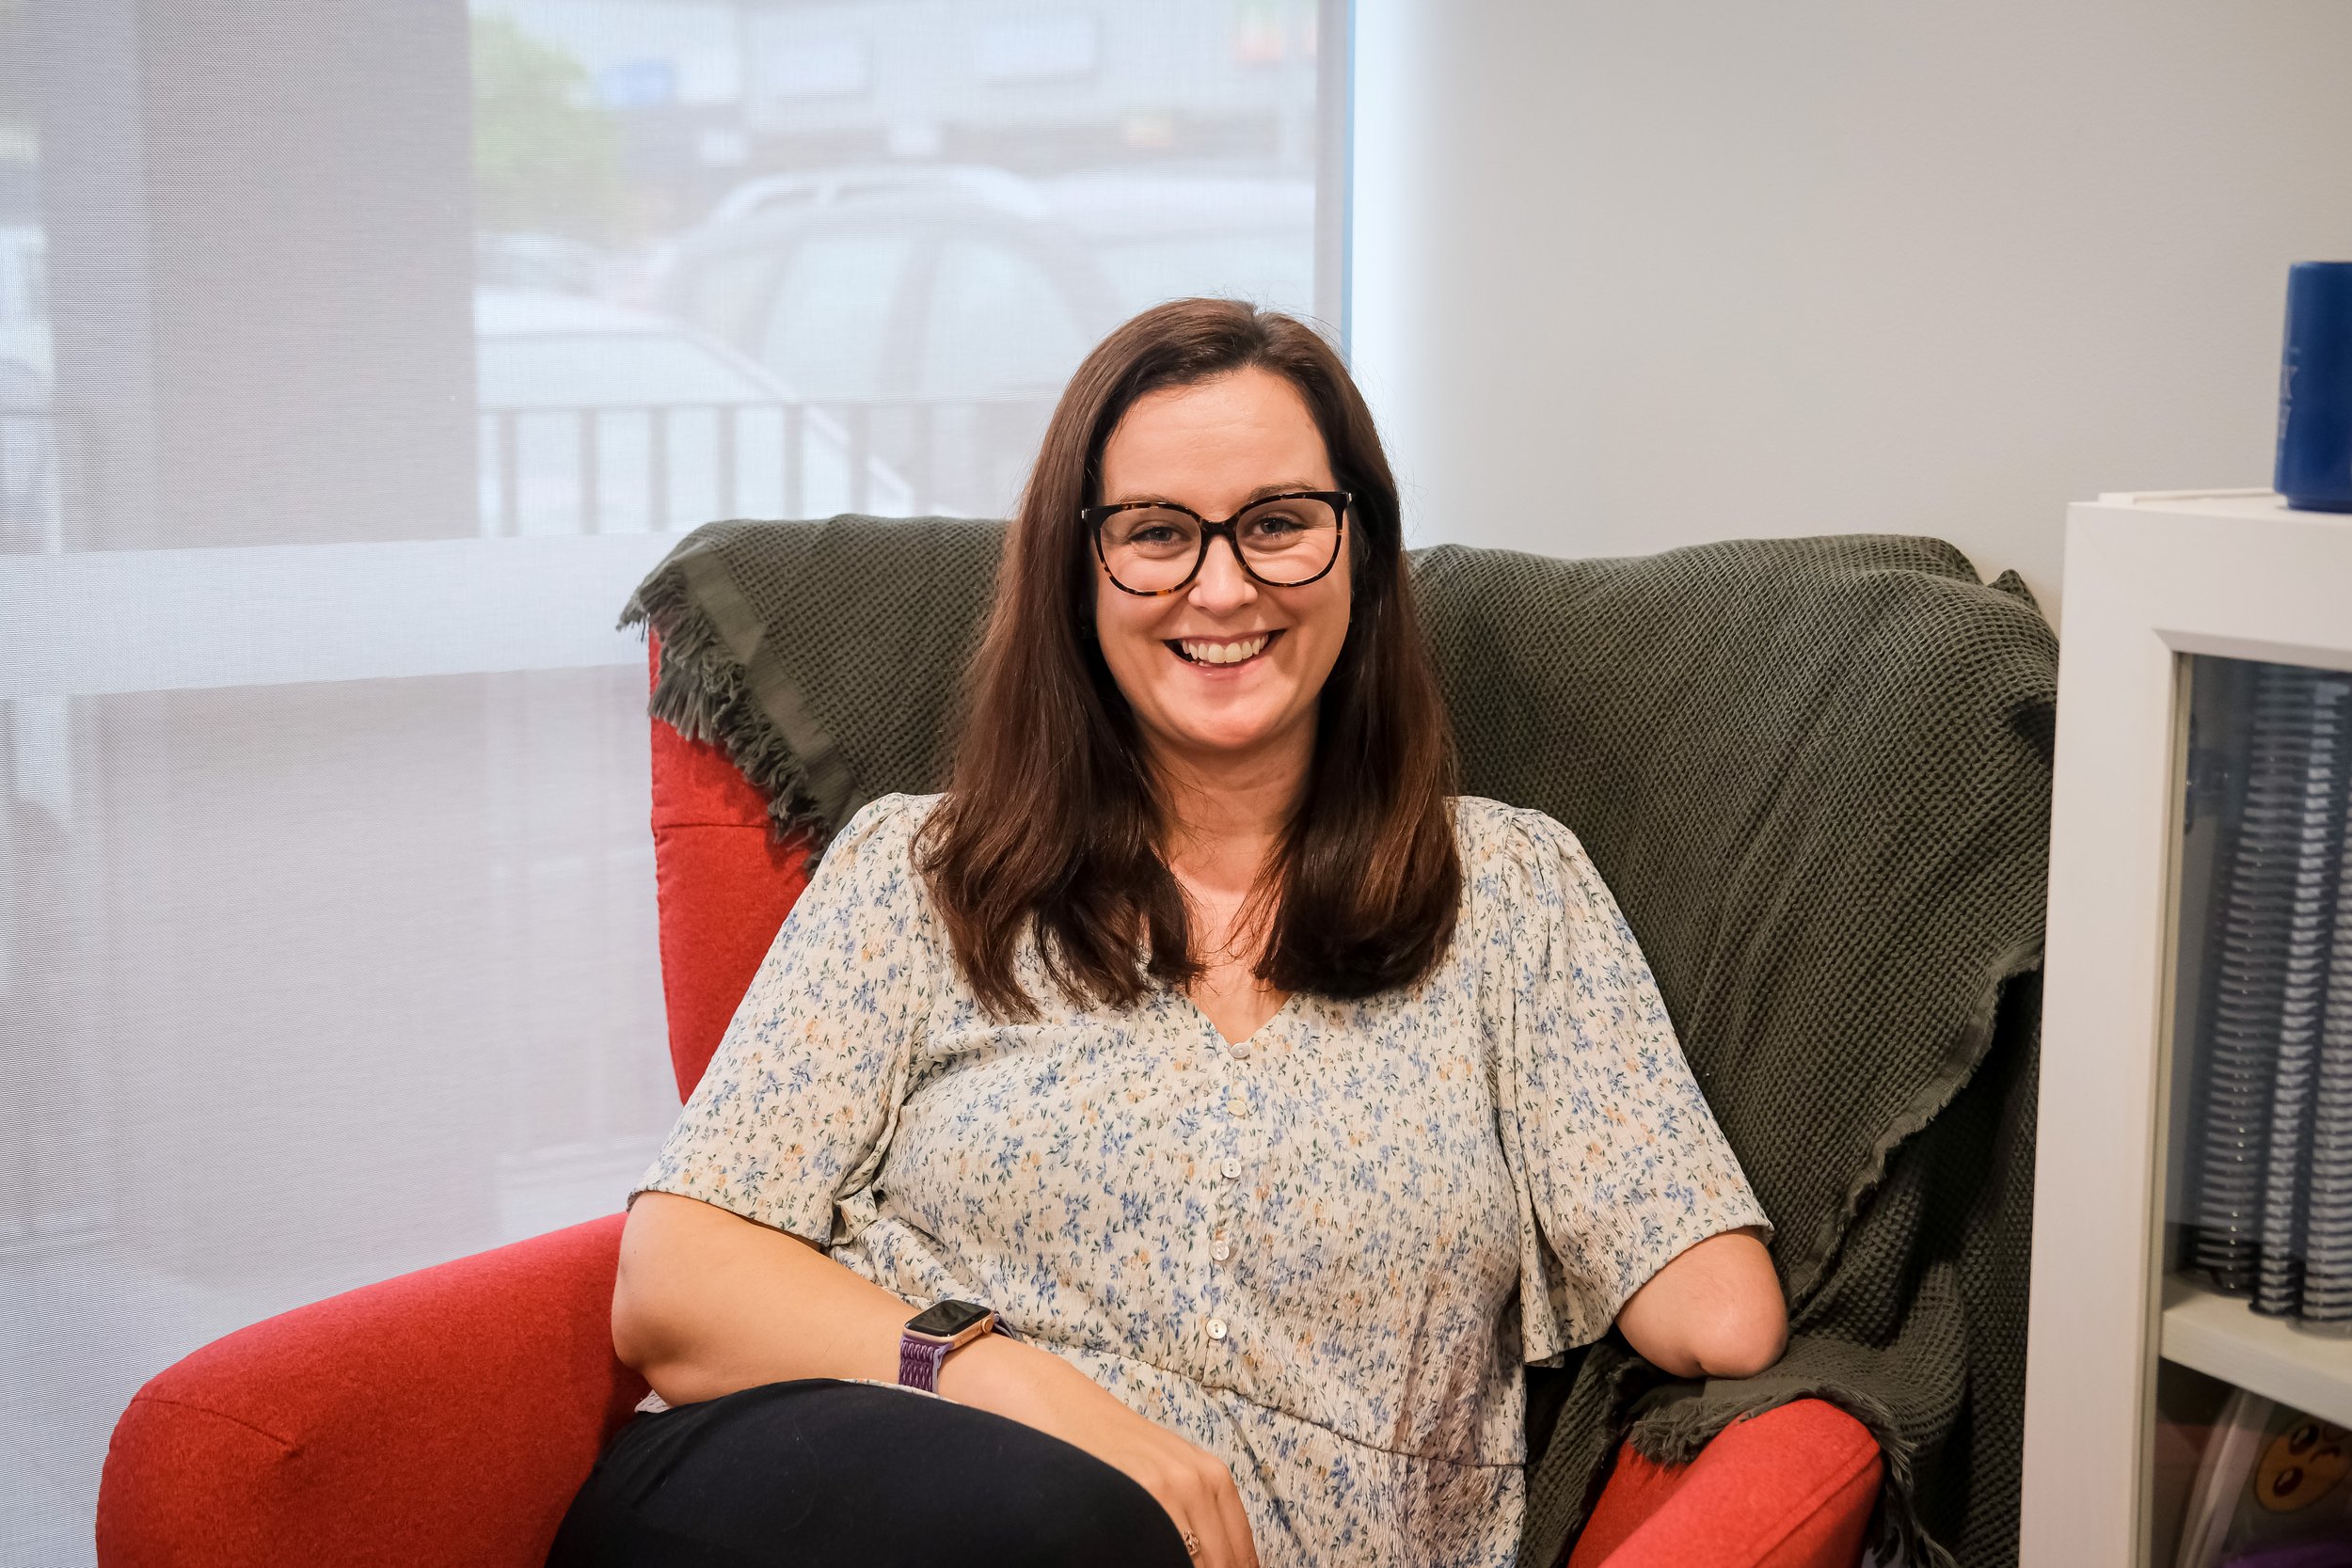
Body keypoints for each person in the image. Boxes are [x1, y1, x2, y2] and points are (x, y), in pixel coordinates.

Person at [548, 299, 1786, 1568]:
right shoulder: (922, 872)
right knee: (1074, 1522)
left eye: (1278, 524)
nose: (1223, 584)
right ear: (1079, 576)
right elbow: (677, 1283)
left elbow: (1719, 1310)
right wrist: (1020, 1390)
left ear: (1360, 549)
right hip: (823, 1498)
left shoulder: (1512, 895)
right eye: (1154, 534)